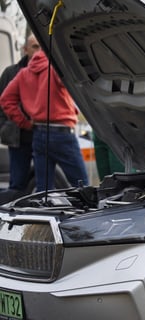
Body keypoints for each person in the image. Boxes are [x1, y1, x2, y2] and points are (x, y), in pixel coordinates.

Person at [0, 48, 89, 192]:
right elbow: (72, 83)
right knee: (83, 185)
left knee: (44, 189)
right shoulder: (55, 68)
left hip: (38, 134)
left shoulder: (24, 73)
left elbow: (5, 99)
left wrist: (24, 122)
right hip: (62, 133)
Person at [0, 35, 40, 200]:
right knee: (17, 185)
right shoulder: (11, 72)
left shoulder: (48, 71)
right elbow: (2, 102)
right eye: (35, 47)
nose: (39, 51)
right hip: (18, 138)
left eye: (41, 47)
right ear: (25, 50)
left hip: (42, 136)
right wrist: (4, 126)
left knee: (45, 185)